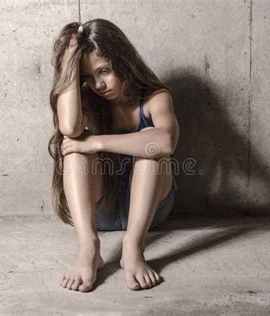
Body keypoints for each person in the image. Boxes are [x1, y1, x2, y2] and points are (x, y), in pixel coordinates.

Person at [48, 19, 179, 292]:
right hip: (99, 210)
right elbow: (70, 127)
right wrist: (70, 61)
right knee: (74, 145)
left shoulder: (155, 98)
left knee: (151, 151)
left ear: (123, 60)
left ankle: (132, 248)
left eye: (104, 71)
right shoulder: (87, 100)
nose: (98, 84)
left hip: (148, 212)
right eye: (87, 77)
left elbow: (166, 141)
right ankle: (89, 249)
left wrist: (95, 142)